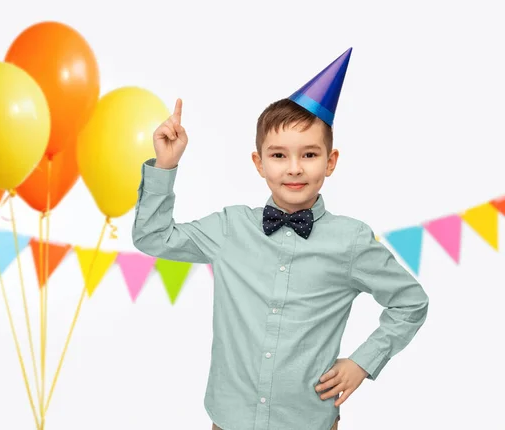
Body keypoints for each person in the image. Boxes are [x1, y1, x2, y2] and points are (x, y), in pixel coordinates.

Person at [132, 47, 429, 430]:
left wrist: (363, 361)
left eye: (308, 154)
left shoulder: (350, 240)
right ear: (259, 163)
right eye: (278, 155)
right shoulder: (230, 227)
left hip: (308, 421)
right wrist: (166, 164)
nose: (293, 168)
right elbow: (152, 237)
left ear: (330, 161)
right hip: (230, 419)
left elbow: (410, 303)